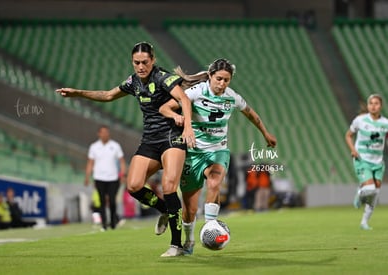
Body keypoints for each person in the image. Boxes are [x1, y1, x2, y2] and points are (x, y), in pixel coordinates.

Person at [56, 41, 195, 257]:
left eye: (145, 62)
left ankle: (176, 245)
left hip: (172, 137)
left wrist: (188, 128)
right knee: (133, 185)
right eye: (136, 62)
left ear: (153, 61)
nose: (140, 67)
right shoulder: (133, 82)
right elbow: (108, 95)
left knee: (169, 186)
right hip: (150, 139)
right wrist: (78, 93)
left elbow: (184, 99)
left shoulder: (162, 77)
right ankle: (165, 210)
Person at [159, 58, 277, 255]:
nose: (222, 84)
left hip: (218, 150)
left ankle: (211, 227)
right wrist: (178, 117)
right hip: (193, 153)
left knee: (214, 183)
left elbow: (251, 114)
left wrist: (265, 133)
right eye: (219, 79)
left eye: (226, 80)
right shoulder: (195, 92)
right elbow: (165, 108)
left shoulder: (232, 97)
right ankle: (189, 241)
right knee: (190, 209)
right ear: (210, 76)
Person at [345, 94, 388, 230]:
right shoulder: (360, 120)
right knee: (370, 189)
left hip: (378, 162)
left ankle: (364, 222)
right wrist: (353, 150)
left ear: (381, 106)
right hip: (362, 159)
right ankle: (359, 194)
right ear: (368, 106)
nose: (373, 106)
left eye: (376, 103)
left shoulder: (385, 123)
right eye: (371, 103)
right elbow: (348, 135)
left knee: (375, 193)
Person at [85, 125, 127, 231]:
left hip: (113, 178)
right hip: (99, 178)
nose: (105, 134)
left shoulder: (115, 146)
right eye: (103, 132)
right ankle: (104, 224)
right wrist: (87, 176)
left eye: (107, 132)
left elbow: (122, 161)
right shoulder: (94, 147)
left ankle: (113, 222)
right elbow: (90, 163)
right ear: (99, 134)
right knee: (102, 201)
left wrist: (122, 175)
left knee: (112, 201)